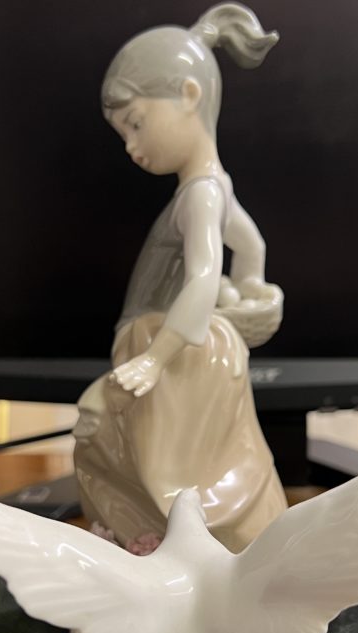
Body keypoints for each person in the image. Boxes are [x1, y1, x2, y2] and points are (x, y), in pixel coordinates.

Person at [74, 3, 286, 552]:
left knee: (142, 454)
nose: (131, 146)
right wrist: (252, 290)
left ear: (190, 96)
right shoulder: (216, 186)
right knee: (155, 449)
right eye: (123, 133)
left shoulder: (201, 194)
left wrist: (155, 358)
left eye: (136, 123)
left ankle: (169, 540)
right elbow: (253, 247)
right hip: (179, 336)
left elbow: (202, 278)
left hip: (161, 338)